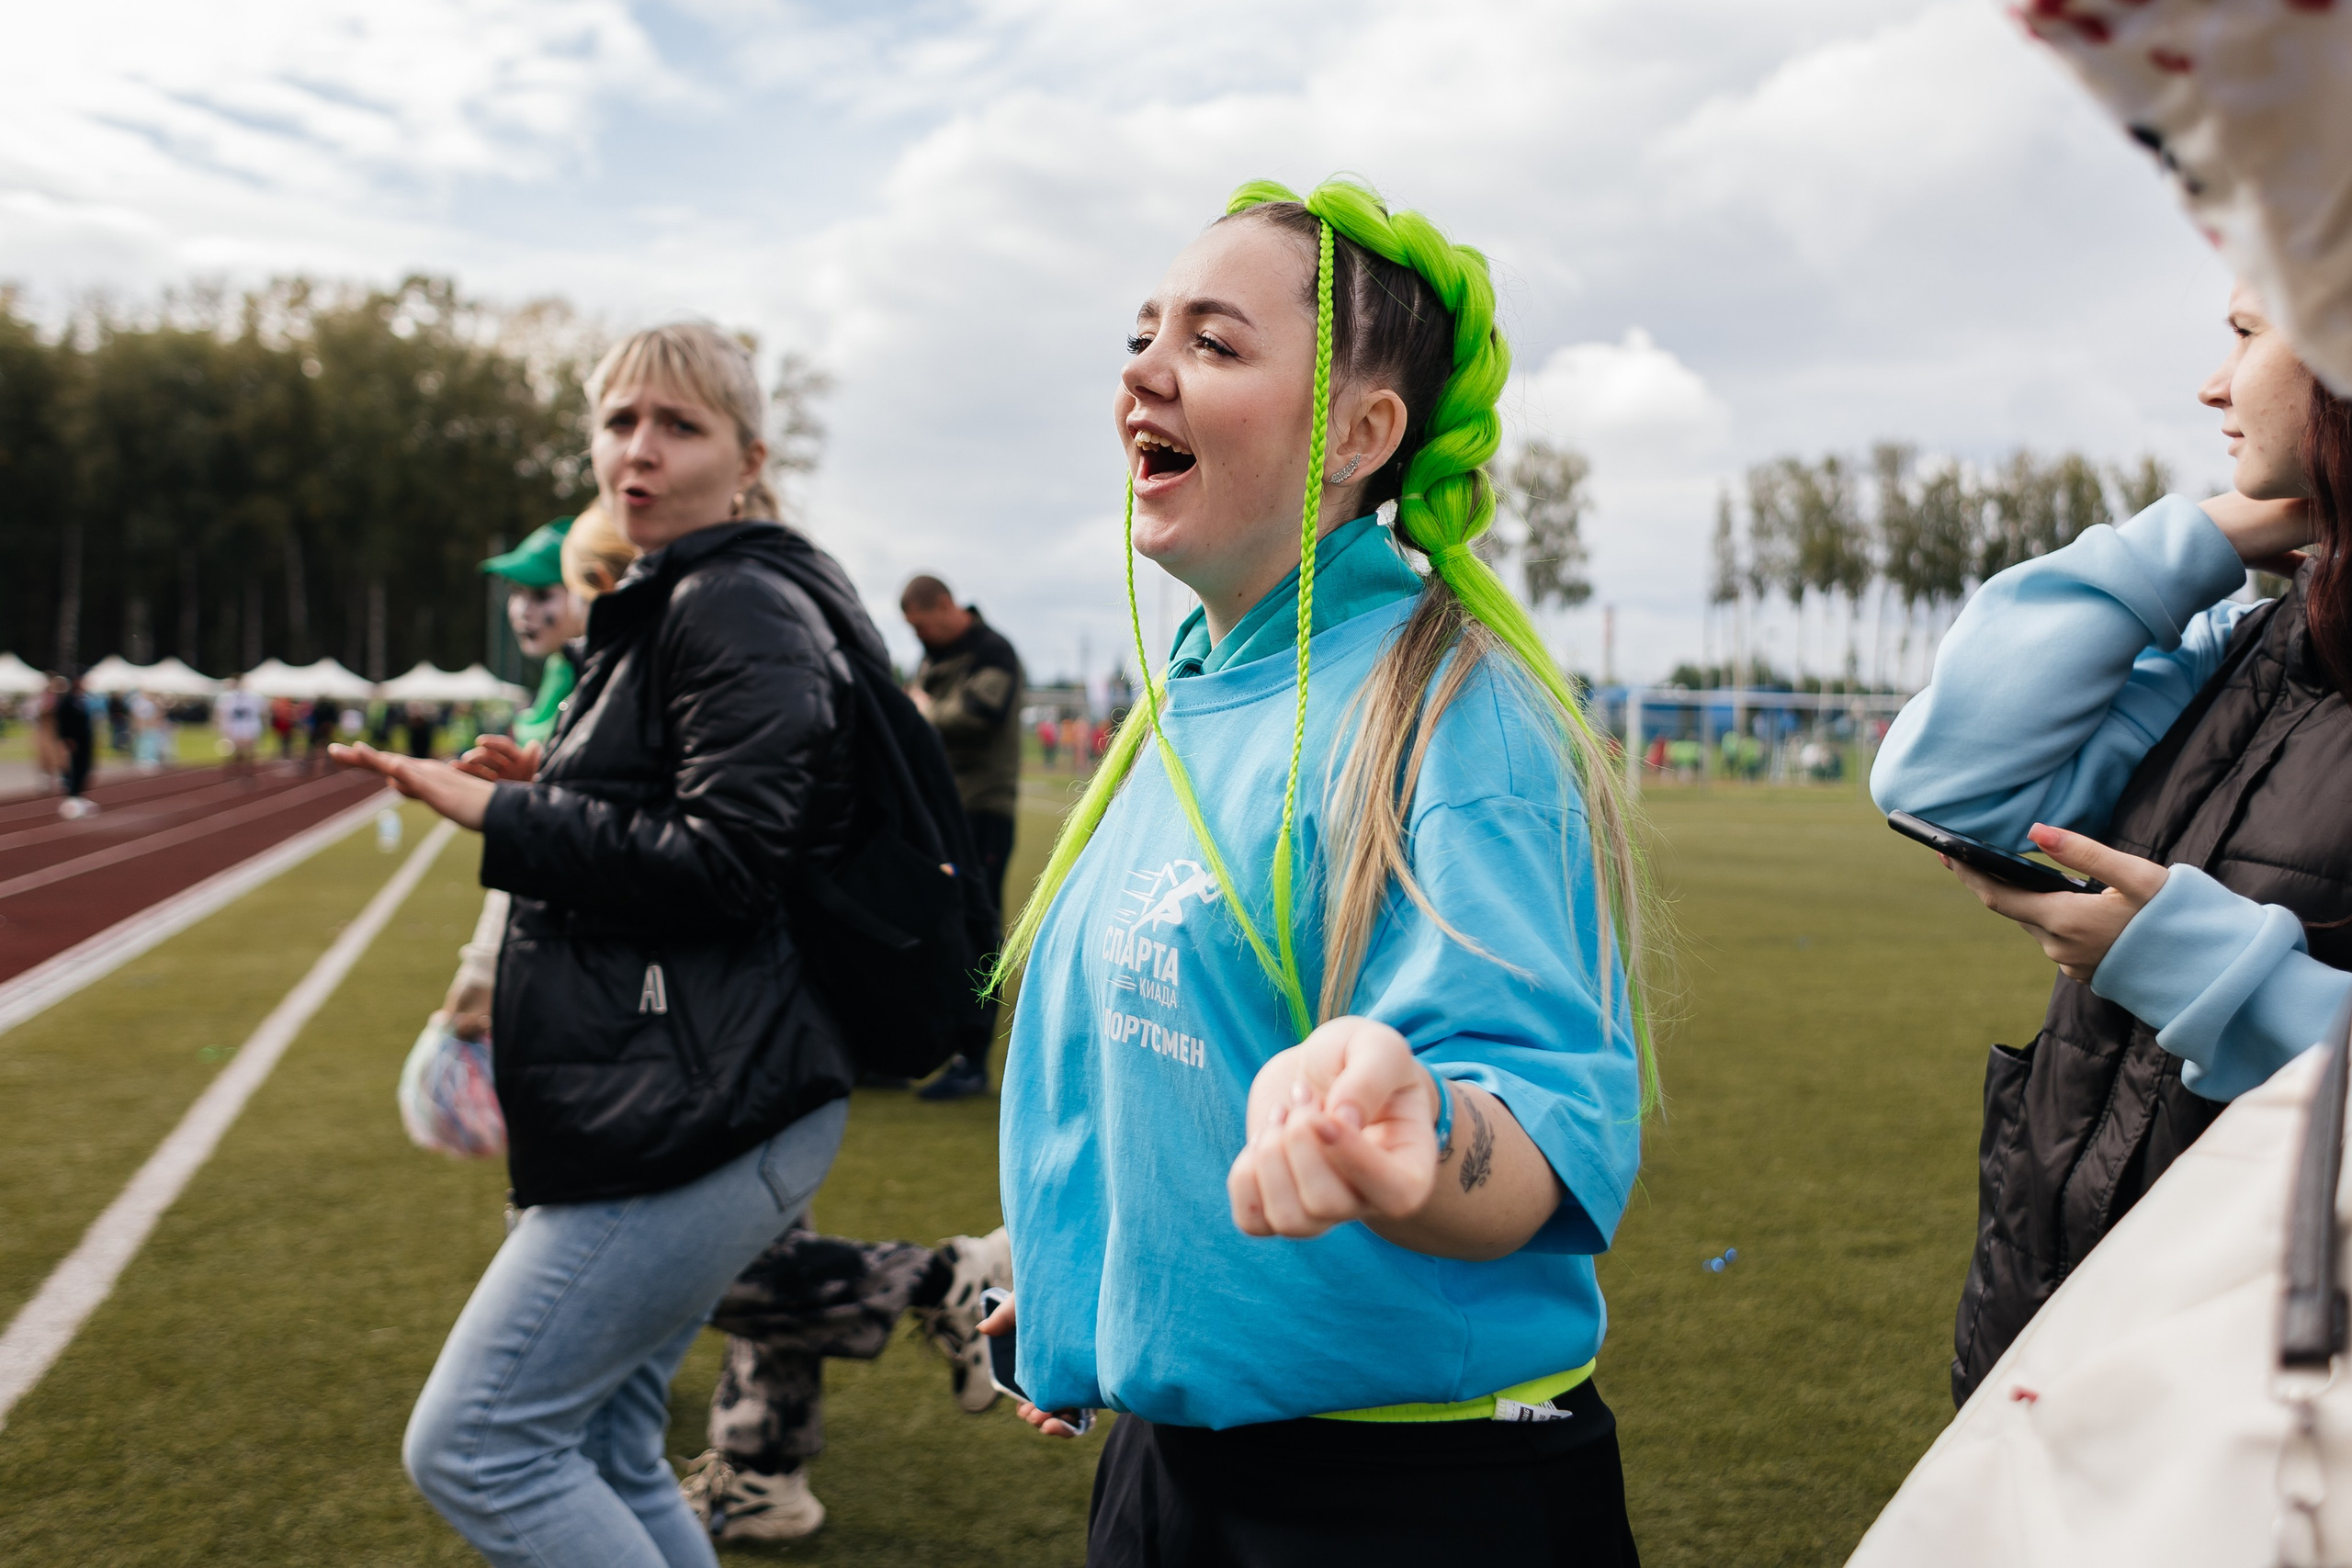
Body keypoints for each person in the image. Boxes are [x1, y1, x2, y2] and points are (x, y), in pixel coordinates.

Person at [985, 177, 1654, 1566]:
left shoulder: (1448, 708)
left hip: (1407, 1495)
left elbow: (1538, 1124)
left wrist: (1419, 1131)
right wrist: (1092, 1273)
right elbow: (1189, 1043)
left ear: (1361, 434)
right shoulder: (1201, 680)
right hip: (1176, 1466)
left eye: (1215, 344)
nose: (1143, 372)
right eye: (1143, 332)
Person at [335, 320, 874, 1568]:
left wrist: (511, 812)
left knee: (478, 1443)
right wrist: (561, 781)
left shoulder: (731, 598)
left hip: (708, 1099)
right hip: (662, 1086)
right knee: (619, 1449)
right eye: (620, 420)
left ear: (745, 457)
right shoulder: (681, 591)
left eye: (676, 425)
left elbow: (730, 865)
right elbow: (689, 816)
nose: (637, 450)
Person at [1871, 277, 2352, 1404]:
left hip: (2274, 1409)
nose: (2212, 383)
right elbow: (1948, 785)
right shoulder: (2256, 646)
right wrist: (2196, 542)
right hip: (2079, 1341)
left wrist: (2199, 971)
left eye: (2244, 332)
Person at [900, 573, 1024, 1101]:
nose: (919, 638)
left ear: (946, 606)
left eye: (923, 625)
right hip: (939, 813)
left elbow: (978, 716)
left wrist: (924, 713)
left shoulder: (993, 651)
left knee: (977, 929)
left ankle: (972, 1060)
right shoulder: (932, 653)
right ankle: (916, 1046)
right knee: (927, 922)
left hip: (981, 812)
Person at [52, 671, 96, 818]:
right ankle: (72, 796)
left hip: (84, 740)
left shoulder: (83, 700)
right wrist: (66, 739)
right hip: (73, 740)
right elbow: (62, 722)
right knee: (73, 768)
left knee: (84, 768)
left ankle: (79, 794)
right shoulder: (67, 701)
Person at [214, 675, 263, 777]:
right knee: (235, 751)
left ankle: (246, 772)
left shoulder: (252, 697)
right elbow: (221, 713)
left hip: (246, 727)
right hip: (235, 728)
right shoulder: (227, 697)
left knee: (247, 751)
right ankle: (236, 771)